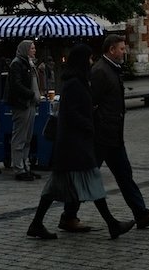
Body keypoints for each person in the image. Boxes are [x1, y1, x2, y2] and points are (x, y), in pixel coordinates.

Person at [26, 43, 135, 241]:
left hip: (70, 146)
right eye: (89, 58)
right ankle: (112, 224)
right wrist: (89, 125)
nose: (92, 61)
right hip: (74, 146)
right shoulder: (75, 83)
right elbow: (73, 114)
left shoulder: (76, 81)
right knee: (92, 183)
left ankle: (37, 223)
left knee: (54, 189)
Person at [61, 34, 149, 232]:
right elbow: (90, 102)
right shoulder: (100, 71)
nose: (124, 52)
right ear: (111, 50)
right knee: (87, 176)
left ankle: (141, 214)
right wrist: (95, 125)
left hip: (113, 135)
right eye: (121, 49)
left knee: (125, 175)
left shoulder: (111, 69)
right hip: (101, 136)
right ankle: (68, 216)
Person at [7, 39, 41, 181]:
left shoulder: (29, 63)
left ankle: (25, 165)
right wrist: (31, 94)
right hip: (22, 105)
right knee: (20, 137)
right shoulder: (17, 64)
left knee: (27, 137)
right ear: (26, 49)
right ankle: (18, 168)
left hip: (30, 104)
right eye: (32, 48)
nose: (34, 50)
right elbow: (16, 85)